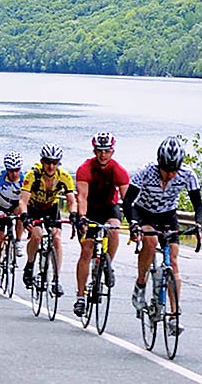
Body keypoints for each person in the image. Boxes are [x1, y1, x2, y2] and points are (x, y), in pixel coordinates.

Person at [122, 136, 202, 336]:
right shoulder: (145, 171)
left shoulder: (187, 174)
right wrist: (133, 224)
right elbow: (127, 202)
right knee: (149, 242)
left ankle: (175, 317)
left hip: (168, 215)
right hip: (144, 212)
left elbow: (198, 205)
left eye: (173, 170)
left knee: (173, 262)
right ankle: (140, 283)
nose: (169, 174)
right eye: (166, 169)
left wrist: (199, 224)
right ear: (159, 164)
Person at [71, 132, 131, 317]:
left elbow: (127, 200)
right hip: (89, 209)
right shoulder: (85, 168)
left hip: (109, 208)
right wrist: (81, 218)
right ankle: (80, 296)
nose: (103, 155)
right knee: (87, 250)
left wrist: (134, 221)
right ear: (94, 151)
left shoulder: (118, 170)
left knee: (113, 229)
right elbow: (82, 197)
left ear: (112, 151)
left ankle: (107, 263)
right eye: (99, 151)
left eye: (107, 151)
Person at [18, 143, 78, 297]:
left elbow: (72, 200)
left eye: (55, 163)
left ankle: (56, 279)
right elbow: (23, 200)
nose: (51, 166)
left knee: (56, 239)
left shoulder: (64, 177)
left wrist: (73, 214)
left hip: (52, 208)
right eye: (47, 162)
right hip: (34, 208)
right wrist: (24, 216)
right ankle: (30, 265)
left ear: (59, 163)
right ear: (42, 161)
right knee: (37, 236)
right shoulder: (33, 175)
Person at [0, 151, 26, 287]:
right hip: (0, 207)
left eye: (16, 170)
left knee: (22, 212)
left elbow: (26, 200)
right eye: (10, 171)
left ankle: (18, 241)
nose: (14, 174)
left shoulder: (24, 179)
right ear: (6, 169)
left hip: (16, 205)